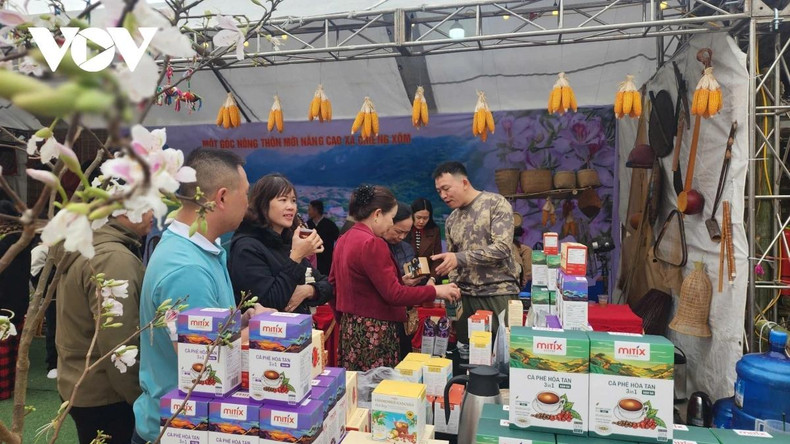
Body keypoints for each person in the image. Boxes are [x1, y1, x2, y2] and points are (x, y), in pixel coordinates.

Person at [133, 149, 266, 444]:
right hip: (178, 430)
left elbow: (204, 332)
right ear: (220, 198)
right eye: (245, 194)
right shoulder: (186, 268)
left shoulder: (197, 250)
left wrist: (241, 322)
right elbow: (205, 368)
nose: (248, 203)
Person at [330, 185, 460, 370]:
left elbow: (333, 285)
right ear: (377, 214)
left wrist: (346, 320)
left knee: (357, 388)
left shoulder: (345, 238)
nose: (391, 224)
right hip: (375, 330)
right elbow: (394, 295)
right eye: (391, 218)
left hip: (351, 329)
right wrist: (436, 290)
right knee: (378, 389)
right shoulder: (373, 243)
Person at [52, 211, 153, 444]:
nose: (153, 212)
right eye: (147, 204)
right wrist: (140, 397)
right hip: (107, 394)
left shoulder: (94, 246)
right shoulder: (112, 258)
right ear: (122, 209)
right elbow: (118, 343)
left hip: (84, 383)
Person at [431, 162, 520, 344]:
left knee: (500, 353)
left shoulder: (495, 204)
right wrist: (452, 293)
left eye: (446, 189)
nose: (443, 196)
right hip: (465, 298)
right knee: (467, 354)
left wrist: (459, 258)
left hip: (496, 293)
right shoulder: (451, 220)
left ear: (464, 182)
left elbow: (502, 248)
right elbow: (453, 261)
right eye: (439, 191)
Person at [229, 174, 333, 313]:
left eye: (293, 201)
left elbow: (327, 285)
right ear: (263, 204)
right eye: (283, 200)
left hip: (298, 331)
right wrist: (296, 257)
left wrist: (308, 290)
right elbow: (268, 303)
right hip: (267, 332)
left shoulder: (287, 241)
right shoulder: (247, 247)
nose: (291, 207)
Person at [0, 200, 32, 401]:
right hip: (18, 303)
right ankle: (9, 387)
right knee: (13, 350)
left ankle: (2, 390)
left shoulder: (4, 243)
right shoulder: (23, 239)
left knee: (3, 351)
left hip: (3, 303)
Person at [30, 241, 58, 379]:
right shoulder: (41, 250)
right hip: (52, 298)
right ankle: (53, 364)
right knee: (53, 329)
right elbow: (37, 277)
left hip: (70, 295)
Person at [409, 198, 443, 279]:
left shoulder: (434, 230)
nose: (421, 221)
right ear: (412, 214)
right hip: (405, 275)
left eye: (425, 218)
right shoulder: (404, 228)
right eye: (418, 217)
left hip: (425, 276)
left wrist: (432, 278)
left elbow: (437, 257)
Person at [306, 199, 340, 276]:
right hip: (311, 260)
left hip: (326, 260)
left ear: (316, 210)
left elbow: (338, 240)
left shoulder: (330, 225)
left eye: (309, 210)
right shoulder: (308, 225)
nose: (308, 212)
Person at [384, 202, 417, 274]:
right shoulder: (373, 247)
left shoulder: (407, 249)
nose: (402, 237)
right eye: (398, 232)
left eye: (406, 233)